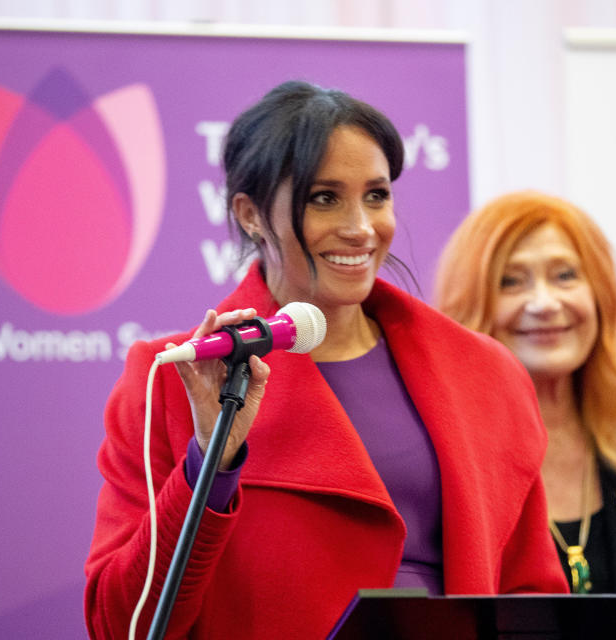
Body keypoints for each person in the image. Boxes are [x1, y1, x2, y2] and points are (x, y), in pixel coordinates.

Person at [84, 83, 567, 640]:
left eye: (377, 195)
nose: (361, 227)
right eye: (324, 198)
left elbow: (532, 601)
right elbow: (122, 625)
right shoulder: (174, 377)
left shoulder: (486, 372)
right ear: (250, 215)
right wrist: (209, 466)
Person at [434, 190, 616, 597]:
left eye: (565, 275)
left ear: (600, 297)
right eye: (511, 281)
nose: (544, 303)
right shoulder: (439, 460)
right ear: (470, 308)